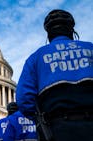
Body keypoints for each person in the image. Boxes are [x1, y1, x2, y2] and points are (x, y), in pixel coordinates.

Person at [16, 9, 93, 141]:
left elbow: (24, 99)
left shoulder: (36, 58)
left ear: (49, 34)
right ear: (72, 31)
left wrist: (42, 119)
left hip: (57, 127)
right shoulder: (90, 49)